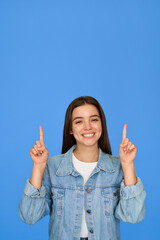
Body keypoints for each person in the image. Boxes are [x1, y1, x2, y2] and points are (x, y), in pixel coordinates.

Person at [19, 96, 146, 240]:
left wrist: (128, 165)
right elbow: (29, 216)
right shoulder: (52, 167)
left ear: (102, 125)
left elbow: (133, 217)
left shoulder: (118, 167)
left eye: (94, 119)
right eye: (79, 121)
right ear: (70, 129)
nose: (88, 127)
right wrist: (38, 166)